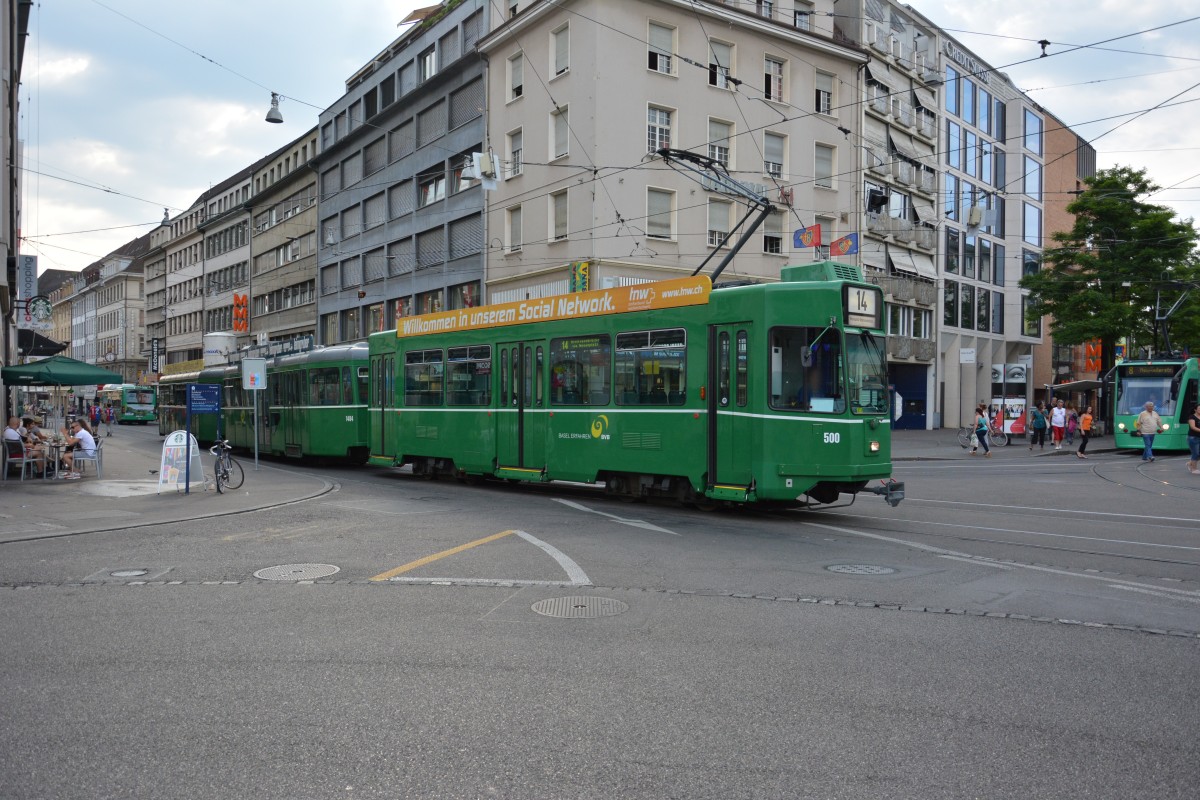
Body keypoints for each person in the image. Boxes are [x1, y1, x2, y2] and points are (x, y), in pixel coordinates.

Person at [1186, 403, 1200, 475]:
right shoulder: (1192, 417)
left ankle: (1190, 463)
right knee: (1195, 453)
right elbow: (1193, 427)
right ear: (1195, 410)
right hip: (1193, 438)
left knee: (1198, 454)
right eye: (1199, 409)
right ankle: (1194, 469)